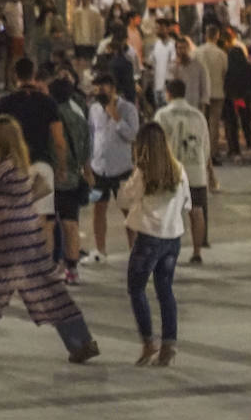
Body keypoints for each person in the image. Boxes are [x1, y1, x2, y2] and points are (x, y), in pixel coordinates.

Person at [0, 116, 99, 365]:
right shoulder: (16, 165)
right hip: (28, 242)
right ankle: (81, 341)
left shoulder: (2, 168)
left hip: (7, 245)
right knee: (50, 292)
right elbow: (13, 202)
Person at [118, 122, 191, 366]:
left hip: (149, 237)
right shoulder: (178, 170)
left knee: (136, 288)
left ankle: (149, 342)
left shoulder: (143, 171)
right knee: (165, 290)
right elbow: (187, 204)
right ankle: (169, 344)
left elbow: (126, 195)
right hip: (173, 238)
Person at [0, 59, 68, 254]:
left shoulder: (4, 103)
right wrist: (61, 167)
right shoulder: (47, 102)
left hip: (14, 168)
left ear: (14, 75)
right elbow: (59, 141)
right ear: (33, 74)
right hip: (41, 166)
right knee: (44, 222)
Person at [155, 79, 210, 265]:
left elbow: (157, 144)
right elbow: (206, 145)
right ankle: (197, 252)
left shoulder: (163, 115)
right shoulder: (198, 115)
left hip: (172, 171)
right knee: (196, 211)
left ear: (168, 93)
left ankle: (167, 252)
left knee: (168, 213)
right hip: (196, 170)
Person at [87, 72, 140, 264]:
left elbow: (133, 135)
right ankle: (100, 250)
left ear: (113, 89)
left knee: (128, 210)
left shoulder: (128, 109)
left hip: (122, 168)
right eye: (97, 87)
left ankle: (134, 251)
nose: (99, 90)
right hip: (99, 168)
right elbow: (92, 135)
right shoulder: (93, 109)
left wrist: (116, 117)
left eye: (103, 87)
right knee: (98, 208)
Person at [48, 76, 92, 285]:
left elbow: (55, 144)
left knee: (48, 223)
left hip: (55, 174)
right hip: (74, 175)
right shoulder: (79, 115)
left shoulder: (51, 116)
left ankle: (52, 265)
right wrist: (87, 170)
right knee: (71, 223)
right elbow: (86, 147)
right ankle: (72, 270)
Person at [196, 24, 229, 163]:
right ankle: (212, 153)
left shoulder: (197, 52)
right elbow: (225, 72)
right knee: (214, 124)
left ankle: (200, 152)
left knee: (200, 122)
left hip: (201, 92)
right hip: (217, 91)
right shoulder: (221, 54)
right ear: (217, 36)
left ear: (205, 35)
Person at [222, 28, 251, 157]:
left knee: (232, 125)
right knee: (246, 122)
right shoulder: (248, 68)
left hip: (231, 98)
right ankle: (248, 141)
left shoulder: (228, 69)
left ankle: (234, 147)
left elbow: (225, 84)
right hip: (245, 98)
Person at [167, 37, 209, 112]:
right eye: (179, 48)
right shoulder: (172, 67)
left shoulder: (198, 66)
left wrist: (204, 104)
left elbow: (204, 85)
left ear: (188, 49)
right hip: (177, 106)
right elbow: (169, 87)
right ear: (176, 49)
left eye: (184, 48)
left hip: (194, 105)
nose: (182, 51)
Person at [70, 0, 103, 71]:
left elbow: (99, 27)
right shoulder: (77, 12)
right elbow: (73, 26)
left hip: (91, 40)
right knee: (81, 61)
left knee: (90, 61)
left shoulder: (95, 12)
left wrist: (98, 40)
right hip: (79, 40)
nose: (85, 0)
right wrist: (73, 38)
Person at [148, 25, 176, 109]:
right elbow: (151, 60)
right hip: (157, 83)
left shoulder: (172, 44)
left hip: (167, 83)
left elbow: (174, 63)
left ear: (167, 30)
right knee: (158, 110)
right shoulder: (157, 44)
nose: (159, 31)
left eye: (161, 28)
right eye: (158, 28)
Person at [2, 0, 24, 93]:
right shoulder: (8, 6)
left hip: (20, 34)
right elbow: (3, 18)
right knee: (11, 60)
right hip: (12, 35)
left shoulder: (20, 5)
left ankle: (16, 81)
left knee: (18, 59)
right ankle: (9, 82)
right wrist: (6, 29)